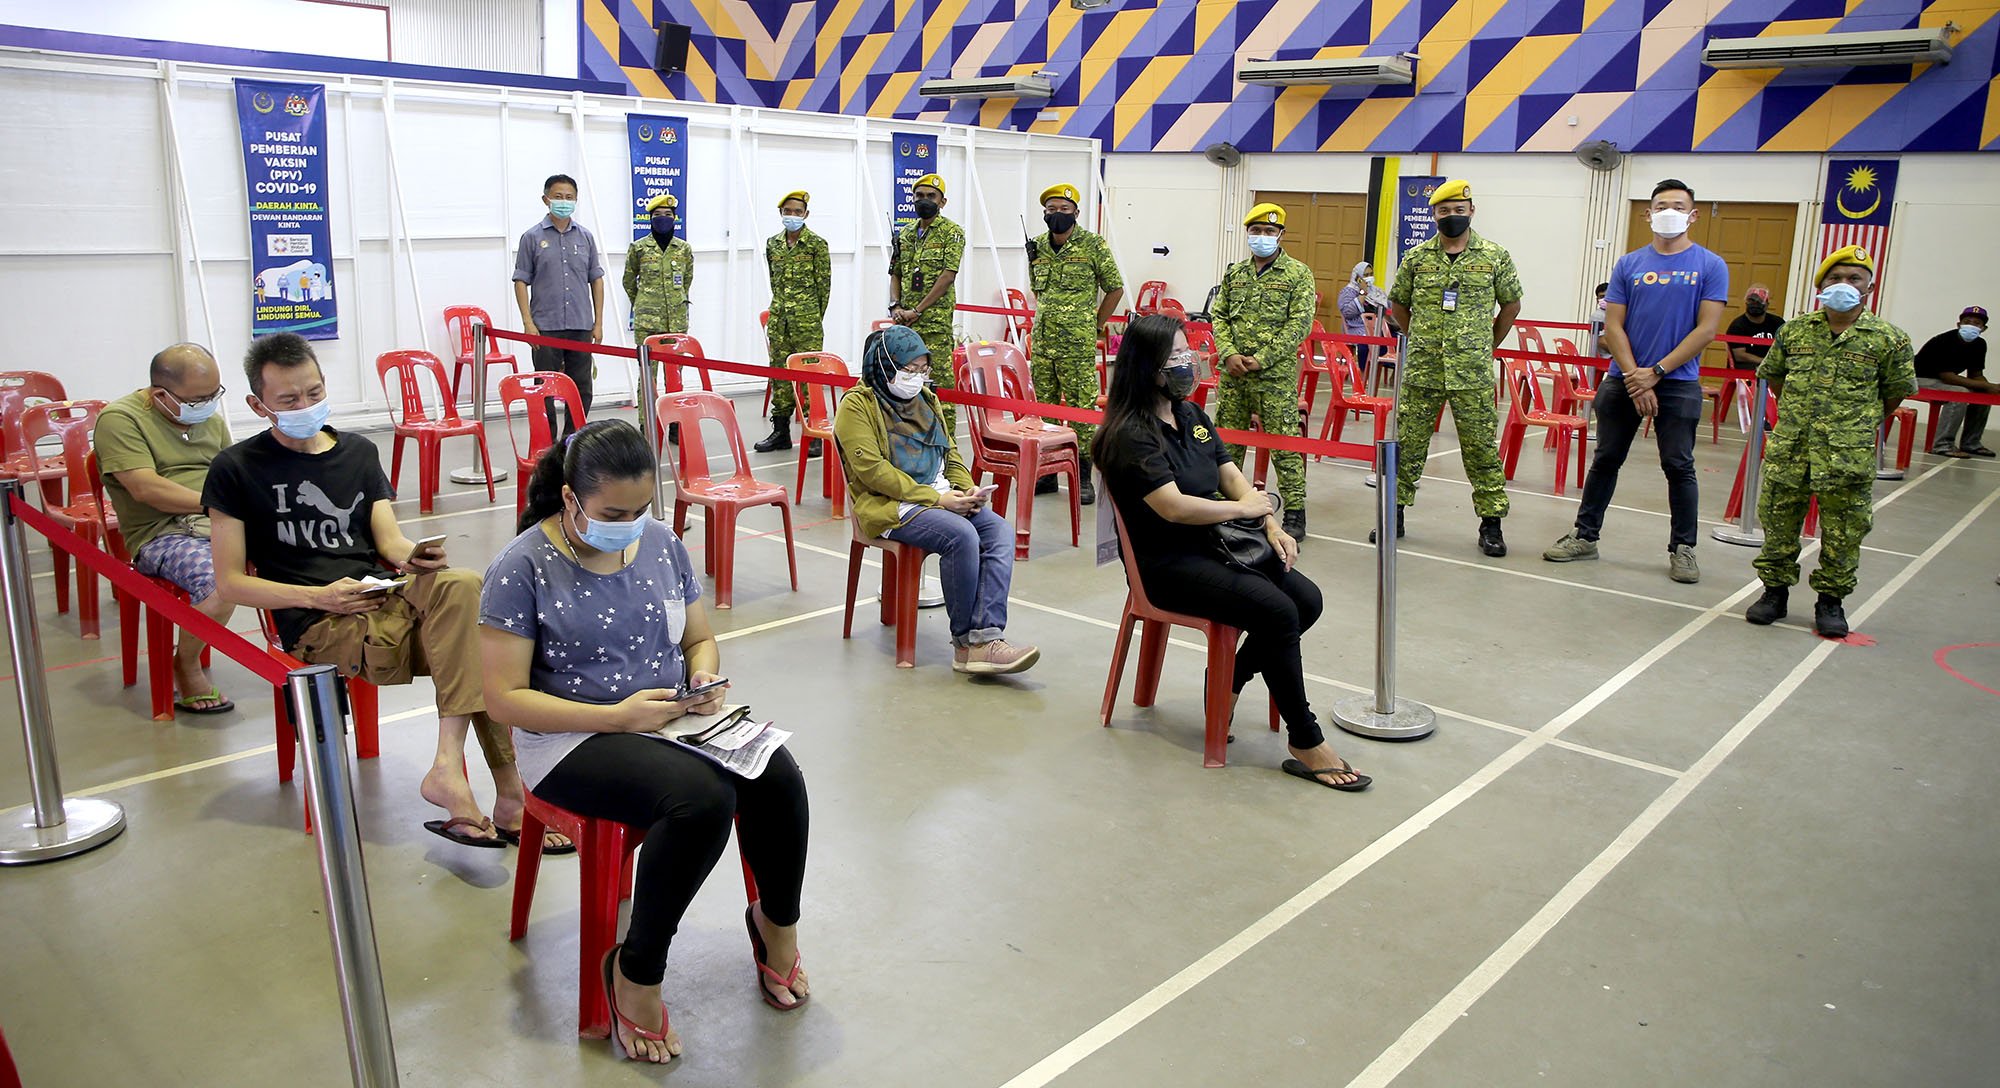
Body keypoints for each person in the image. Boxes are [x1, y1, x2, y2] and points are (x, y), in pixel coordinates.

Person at [480, 420, 811, 1063]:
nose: (629, 523)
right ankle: (637, 973)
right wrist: (615, 717)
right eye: (612, 512)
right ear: (570, 498)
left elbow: (697, 639)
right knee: (701, 800)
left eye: (638, 509)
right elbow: (503, 699)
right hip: (571, 738)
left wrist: (704, 674)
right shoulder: (521, 566)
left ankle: (777, 925)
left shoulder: (659, 542)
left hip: (667, 715)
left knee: (778, 774)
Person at [205, 333, 549, 851]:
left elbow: (388, 541)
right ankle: (507, 795)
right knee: (478, 645)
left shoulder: (359, 453)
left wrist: (413, 558)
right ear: (258, 405)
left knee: (461, 585)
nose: (306, 406)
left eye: (314, 392)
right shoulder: (235, 469)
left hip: (382, 599)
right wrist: (318, 596)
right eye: (289, 401)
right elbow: (231, 581)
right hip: (317, 620)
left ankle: (448, 771)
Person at [1092, 314, 1367, 792]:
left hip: (1218, 547)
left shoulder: (1191, 416)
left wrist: (1270, 522)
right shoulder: (1130, 434)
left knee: (1307, 600)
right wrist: (1240, 508)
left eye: (1188, 354)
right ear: (1145, 367)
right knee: (1278, 611)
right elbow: (1173, 507)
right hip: (1167, 565)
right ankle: (1305, 739)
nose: (1187, 364)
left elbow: (1229, 473)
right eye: (1174, 358)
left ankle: (1229, 679)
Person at [1545, 179, 1727, 582]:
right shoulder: (1629, 265)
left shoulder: (1710, 266)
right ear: (1648, 214)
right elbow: (1613, 326)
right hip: (1623, 380)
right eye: (1661, 205)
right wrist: (1634, 377)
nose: (1669, 212)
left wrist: (1656, 373)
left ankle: (1684, 548)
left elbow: (1706, 330)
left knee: (1679, 465)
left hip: (1677, 383)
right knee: (1606, 459)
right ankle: (1585, 536)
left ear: (1693, 215)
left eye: (1678, 206)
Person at [833, 326, 1038, 674]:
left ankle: (987, 636)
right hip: (891, 505)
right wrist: (937, 499)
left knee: (998, 532)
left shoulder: (927, 400)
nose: (916, 377)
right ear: (884, 365)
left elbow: (951, 454)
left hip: (940, 496)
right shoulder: (857, 405)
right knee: (960, 535)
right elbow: (872, 471)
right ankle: (967, 645)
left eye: (922, 369)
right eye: (908, 369)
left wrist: (967, 489)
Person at [1744, 246, 1916, 637]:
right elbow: (1777, 378)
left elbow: (1894, 393)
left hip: (1846, 454)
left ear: (1869, 288)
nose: (1844, 286)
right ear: (1820, 286)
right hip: (1793, 448)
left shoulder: (1888, 339)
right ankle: (1774, 592)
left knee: (1844, 529)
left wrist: (1853, 423)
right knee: (1779, 521)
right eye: (1835, 278)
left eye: (1854, 278)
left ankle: (1831, 601)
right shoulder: (1794, 331)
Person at [93, 343, 238, 714]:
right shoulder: (120, 419)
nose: (207, 405)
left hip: (219, 520)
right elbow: (147, 489)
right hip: (163, 532)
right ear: (160, 394)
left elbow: (232, 473)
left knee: (305, 550)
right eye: (198, 399)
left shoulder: (211, 421)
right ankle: (186, 664)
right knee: (224, 583)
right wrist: (215, 503)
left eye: (213, 395)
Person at [1385, 179, 1522, 556]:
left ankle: (1491, 525)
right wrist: (1422, 338)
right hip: (1424, 370)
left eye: (1459, 211)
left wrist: (1485, 345)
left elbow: (1511, 305)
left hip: (1472, 372)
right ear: (1434, 215)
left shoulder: (1495, 256)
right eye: (1444, 211)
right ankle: (1393, 515)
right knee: (1408, 446)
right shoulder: (1416, 258)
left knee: (1480, 449)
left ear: (1471, 212)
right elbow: (1398, 305)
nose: (1452, 217)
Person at [1210, 203, 1315, 544]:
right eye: (1256, 231)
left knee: (1284, 447)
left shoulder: (1298, 274)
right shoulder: (1234, 273)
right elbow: (1219, 316)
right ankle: (1229, 507)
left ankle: (1295, 513)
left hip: (1275, 378)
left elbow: (1299, 324)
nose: (1262, 237)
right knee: (1227, 446)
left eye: (1269, 232)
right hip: (1234, 376)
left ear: (1281, 235)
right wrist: (1228, 354)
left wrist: (1263, 358)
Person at [1026, 182, 1124, 506]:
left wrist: (1095, 324)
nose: (1058, 215)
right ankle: (1048, 473)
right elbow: (1039, 292)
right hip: (1042, 344)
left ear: (1076, 213)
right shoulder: (1037, 246)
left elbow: (1114, 288)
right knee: (1045, 410)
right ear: (1044, 214)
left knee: (1081, 410)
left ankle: (1082, 475)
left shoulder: (1093, 245)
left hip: (1077, 345)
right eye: (1052, 210)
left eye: (1064, 210)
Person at [513, 173, 606, 439]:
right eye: (557, 197)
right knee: (544, 387)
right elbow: (520, 281)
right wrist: (528, 323)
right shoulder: (531, 237)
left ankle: (572, 440)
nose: (563, 202)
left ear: (576, 200)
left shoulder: (585, 237)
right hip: (546, 327)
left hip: (580, 324)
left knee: (582, 388)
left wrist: (598, 322)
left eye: (568, 197)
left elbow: (596, 280)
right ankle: (547, 440)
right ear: (546, 199)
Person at [753, 190, 832, 454]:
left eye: (797, 212)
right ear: (781, 214)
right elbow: (775, 282)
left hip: (807, 322)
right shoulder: (772, 244)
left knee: (809, 378)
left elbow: (824, 288)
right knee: (780, 376)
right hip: (779, 320)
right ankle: (781, 431)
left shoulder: (816, 245)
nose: (792, 216)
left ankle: (815, 432)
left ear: (806, 214)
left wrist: (810, 316)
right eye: (788, 212)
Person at [888, 174, 965, 434]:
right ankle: (911, 439)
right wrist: (895, 306)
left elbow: (947, 276)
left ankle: (946, 446)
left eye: (930, 196)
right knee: (904, 387)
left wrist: (917, 310)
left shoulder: (952, 233)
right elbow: (895, 272)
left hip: (933, 325)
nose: (924, 201)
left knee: (940, 388)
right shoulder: (905, 234)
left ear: (942, 202)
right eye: (919, 196)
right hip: (906, 326)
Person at [1915, 305, 1994, 458]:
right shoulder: (1945, 340)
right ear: (1959, 325)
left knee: (1983, 394)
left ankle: (1971, 443)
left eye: (1976, 323)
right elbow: (1948, 377)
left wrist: (1989, 388)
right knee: (1960, 393)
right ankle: (1943, 445)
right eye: (1967, 321)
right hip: (1919, 379)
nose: (1971, 326)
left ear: (1983, 328)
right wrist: (1988, 385)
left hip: (1942, 382)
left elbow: (1976, 375)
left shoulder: (1979, 345)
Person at [624, 192, 695, 342]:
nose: (663, 217)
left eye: (668, 214)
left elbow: (686, 281)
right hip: (647, 323)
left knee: (675, 365)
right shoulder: (638, 248)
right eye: (657, 214)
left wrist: (675, 298)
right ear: (651, 218)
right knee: (647, 365)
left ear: (674, 218)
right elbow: (628, 281)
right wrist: (642, 302)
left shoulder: (683, 248)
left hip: (676, 322)